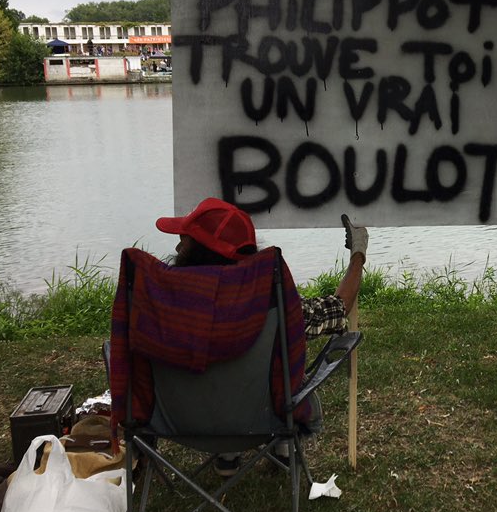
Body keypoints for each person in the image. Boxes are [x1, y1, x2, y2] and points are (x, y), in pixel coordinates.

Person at [154, 197, 368, 474]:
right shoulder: (272, 301)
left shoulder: (159, 303)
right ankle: (281, 450)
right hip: (262, 420)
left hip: (175, 420)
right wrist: (358, 255)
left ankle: (227, 456)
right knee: (276, 369)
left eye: (184, 240)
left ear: (197, 252)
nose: (177, 246)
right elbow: (338, 308)